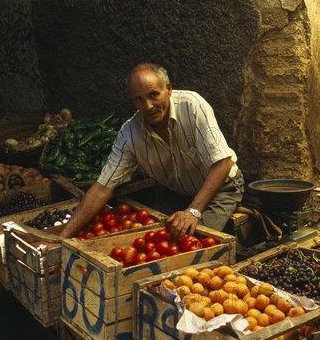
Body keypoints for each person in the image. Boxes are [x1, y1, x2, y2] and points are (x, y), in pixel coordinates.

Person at [59, 63, 244, 240]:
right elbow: (102, 187)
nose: (148, 106)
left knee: (196, 241)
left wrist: (193, 211)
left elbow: (223, 162)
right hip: (177, 194)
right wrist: (61, 238)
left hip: (222, 188)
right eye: (139, 99)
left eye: (153, 95)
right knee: (154, 236)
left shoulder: (192, 106)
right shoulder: (130, 133)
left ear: (169, 89)